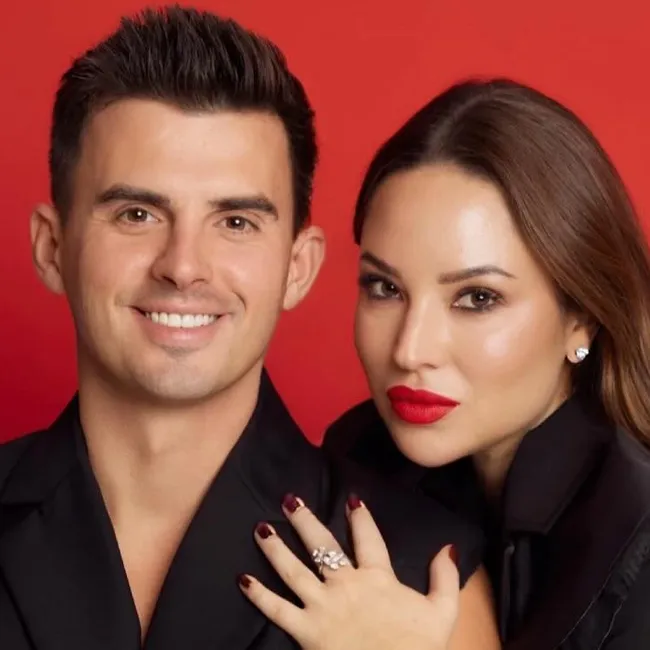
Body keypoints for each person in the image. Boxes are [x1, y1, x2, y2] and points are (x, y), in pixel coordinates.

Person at [0, 7, 500, 650]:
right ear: (52, 248)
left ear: (298, 267)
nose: (183, 266)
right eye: (136, 214)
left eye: (236, 222)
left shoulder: (424, 576)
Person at [270, 79, 650, 649]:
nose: (410, 349)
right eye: (384, 287)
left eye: (477, 298)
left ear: (582, 319)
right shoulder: (363, 454)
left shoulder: (637, 543)